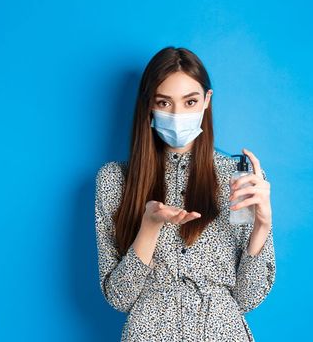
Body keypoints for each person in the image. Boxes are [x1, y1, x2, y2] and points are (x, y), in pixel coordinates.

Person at [94, 46, 276, 341]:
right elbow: (119, 298)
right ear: (148, 107)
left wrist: (261, 227)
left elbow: (247, 299)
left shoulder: (239, 178)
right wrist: (149, 227)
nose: (178, 114)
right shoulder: (115, 180)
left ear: (206, 101)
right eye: (164, 103)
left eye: (190, 101)